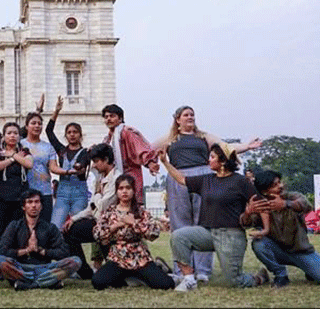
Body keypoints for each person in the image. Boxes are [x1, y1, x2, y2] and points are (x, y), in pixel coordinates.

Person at [152, 105, 262, 282]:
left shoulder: (203, 136)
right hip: (178, 177)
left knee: (202, 222)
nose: (190, 117)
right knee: (179, 223)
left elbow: (226, 147)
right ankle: (182, 270)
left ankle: (203, 271)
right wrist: (152, 163)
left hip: (202, 176)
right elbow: (148, 150)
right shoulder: (170, 138)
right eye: (186, 115)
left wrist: (247, 146)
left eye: (192, 114)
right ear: (177, 119)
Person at [160, 142, 269, 292]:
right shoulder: (207, 180)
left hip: (231, 235)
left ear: (223, 161)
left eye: (212, 157)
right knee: (179, 236)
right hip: (208, 233)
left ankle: (259, 277)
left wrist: (265, 229)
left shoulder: (240, 181)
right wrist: (165, 162)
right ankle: (189, 279)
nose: (208, 160)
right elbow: (181, 179)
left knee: (234, 281)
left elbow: (261, 205)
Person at [244, 169, 320, 287]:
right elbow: (247, 224)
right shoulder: (261, 205)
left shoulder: (292, 197)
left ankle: (309, 269)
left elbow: (307, 206)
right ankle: (281, 274)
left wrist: (286, 204)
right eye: (274, 185)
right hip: (278, 251)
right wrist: (247, 213)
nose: (280, 186)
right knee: (258, 244)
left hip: (301, 251)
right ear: (264, 191)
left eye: (279, 182)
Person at [91, 174, 174, 290]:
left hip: (139, 257)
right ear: (116, 192)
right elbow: (97, 234)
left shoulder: (141, 211)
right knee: (98, 282)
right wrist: (116, 225)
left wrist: (134, 223)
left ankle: (154, 269)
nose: (124, 191)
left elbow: (153, 233)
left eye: (128, 188)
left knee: (166, 284)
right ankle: (130, 279)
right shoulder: (109, 212)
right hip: (117, 258)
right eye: (121, 188)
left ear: (133, 191)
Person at [0, 189, 81, 290]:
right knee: (0, 261)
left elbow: (64, 252)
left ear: (41, 206)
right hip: (21, 268)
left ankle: (28, 284)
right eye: (29, 202)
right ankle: (47, 282)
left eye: (37, 202)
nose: (33, 205)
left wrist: (41, 251)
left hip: (45, 268)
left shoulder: (50, 228)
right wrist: (27, 250)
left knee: (76, 261)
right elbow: (1, 251)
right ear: (23, 207)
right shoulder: (14, 226)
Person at [62, 143, 121, 280]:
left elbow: (102, 206)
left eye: (96, 161)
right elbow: (92, 207)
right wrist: (73, 219)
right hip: (98, 222)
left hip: (111, 226)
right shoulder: (100, 178)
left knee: (115, 271)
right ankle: (84, 272)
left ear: (106, 160)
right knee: (69, 231)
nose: (93, 165)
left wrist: (98, 193)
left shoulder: (117, 178)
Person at [0, 124, 34, 255]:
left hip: (19, 198)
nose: (12, 136)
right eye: (9, 133)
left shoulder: (24, 151)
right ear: (4, 136)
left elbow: (29, 163)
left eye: (15, 133)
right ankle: (0, 260)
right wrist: (13, 159)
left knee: (18, 232)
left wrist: (13, 154)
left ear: (19, 136)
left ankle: (16, 259)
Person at [46, 95, 90, 228]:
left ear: (80, 135)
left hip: (79, 193)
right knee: (55, 226)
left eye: (75, 132)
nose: (72, 134)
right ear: (65, 135)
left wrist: (80, 167)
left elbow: (83, 164)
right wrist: (56, 111)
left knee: (76, 226)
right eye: (69, 132)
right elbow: (49, 131)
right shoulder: (61, 150)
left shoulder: (86, 152)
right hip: (63, 193)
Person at [20, 112, 59, 224]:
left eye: (39, 123)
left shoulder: (48, 147)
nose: (37, 126)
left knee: (44, 225)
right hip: (25, 191)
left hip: (45, 192)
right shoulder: (20, 144)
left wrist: (68, 171)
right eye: (33, 123)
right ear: (26, 126)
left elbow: (53, 167)